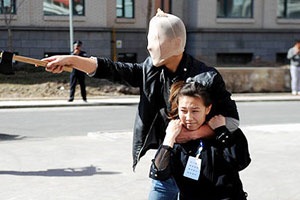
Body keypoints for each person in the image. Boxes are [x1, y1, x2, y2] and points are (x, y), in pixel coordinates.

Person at [40, 9, 240, 200]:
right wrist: (73, 60)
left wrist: (191, 134)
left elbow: (231, 121)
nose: (149, 46)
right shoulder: (150, 70)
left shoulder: (207, 77)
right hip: (165, 166)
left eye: (155, 39)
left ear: (176, 42)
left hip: (198, 171)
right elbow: (112, 69)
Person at [149, 81, 251, 200]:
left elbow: (241, 162)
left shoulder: (223, 132)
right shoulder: (177, 137)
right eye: (183, 111)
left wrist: (221, 131)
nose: (189, 118)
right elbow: (159, 173)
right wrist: (169, 139)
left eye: (195, 111)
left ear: (207, 109)